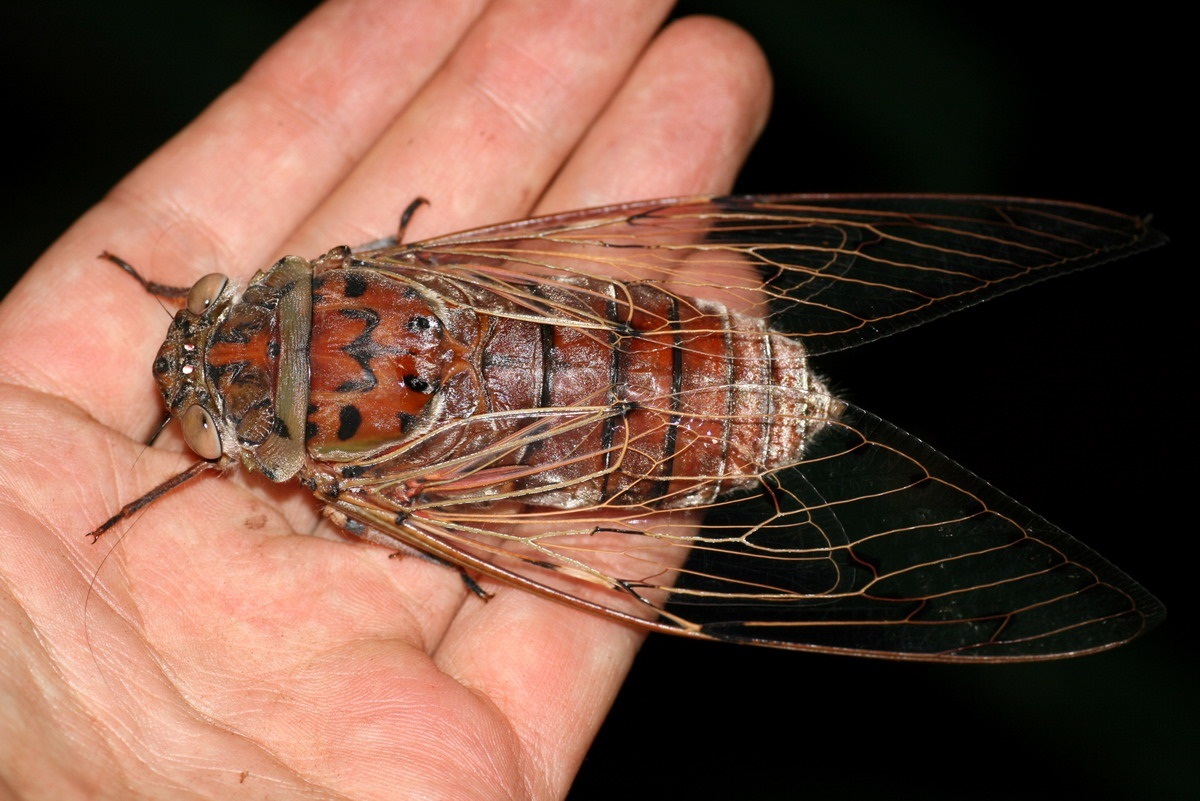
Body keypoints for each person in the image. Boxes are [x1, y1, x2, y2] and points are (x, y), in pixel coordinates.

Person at [0, 0, 770, 796]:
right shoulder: (331, 284)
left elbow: (356, 510)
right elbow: (375, 264)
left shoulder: (333, 477)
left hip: (558, 433)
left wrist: (440, 537)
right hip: (612, 343)